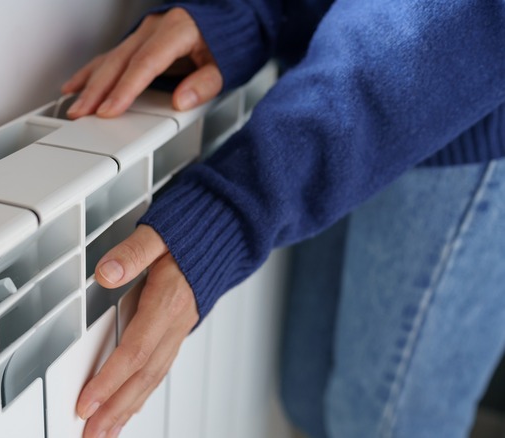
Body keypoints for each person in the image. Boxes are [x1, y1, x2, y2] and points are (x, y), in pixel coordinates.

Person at [62, 1, 505, 437]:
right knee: (307, 395)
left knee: (379, 421)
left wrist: (234, 207)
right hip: (348, 76)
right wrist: (247, 12)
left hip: (470, 114)